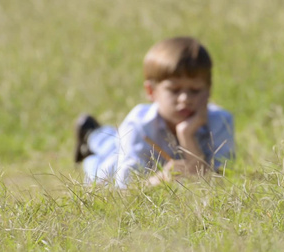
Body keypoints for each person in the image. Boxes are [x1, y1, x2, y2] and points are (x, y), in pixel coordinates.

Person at [74, 36, 235, 187]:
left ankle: (98, 133)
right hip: (115, 157)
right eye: (174, 90)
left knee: (116, 140)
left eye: (195, 90)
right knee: (101, 168)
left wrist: (187, 135)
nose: (185, 98)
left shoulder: (221, 121)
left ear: (208, 90)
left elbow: (220, 182)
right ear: (151, 91)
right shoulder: (138, 124)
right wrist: (160, 179)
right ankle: (91, 136)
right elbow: (123, 188)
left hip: (126, 140)